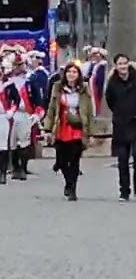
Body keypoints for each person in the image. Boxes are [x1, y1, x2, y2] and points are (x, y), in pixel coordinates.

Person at [43, 62, 93, 201]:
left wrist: (89, 131)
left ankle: (73, 188)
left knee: (74, 159)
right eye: (69, 72)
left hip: (77, 127)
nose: (71, 74)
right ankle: (68, 182)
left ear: (78, 75)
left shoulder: (84, 89)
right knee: (62, 159)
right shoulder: (57, 88)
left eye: (74, 72)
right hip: (61, 126)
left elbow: (89, 111)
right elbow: (52, 109)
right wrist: (47, 128)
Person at [105, 54, 136, 200]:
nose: (123, 66)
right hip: (121, 125)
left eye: (125, 63)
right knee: (122, 160)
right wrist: (119, 113)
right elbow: (110, 101)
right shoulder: (112, 83)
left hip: (135, 123)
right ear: (116, 66)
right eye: (120, 64)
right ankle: (124, 191)